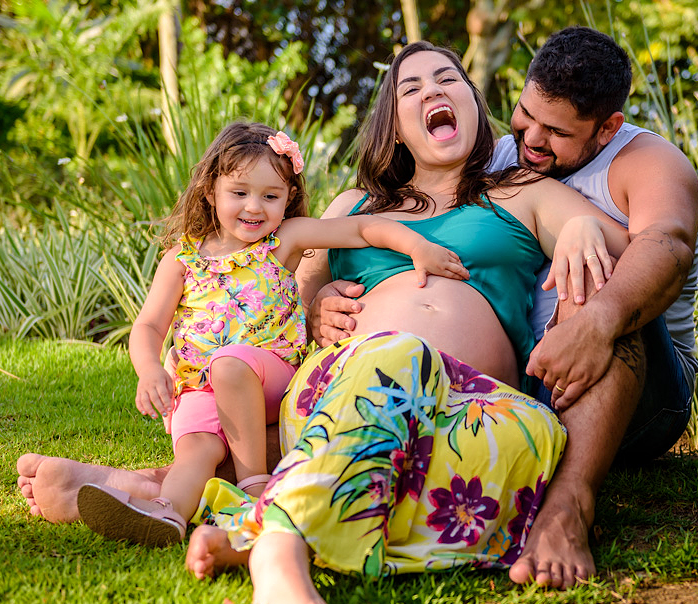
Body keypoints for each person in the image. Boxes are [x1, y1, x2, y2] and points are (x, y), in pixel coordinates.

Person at [16, 42, 629, 604]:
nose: (432, 92)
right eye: (411, 88)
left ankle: (192, 505)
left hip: (474, 405)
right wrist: (316, 308)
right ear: (395, 127)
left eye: (447, 79)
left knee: (518, 447)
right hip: (351, 385)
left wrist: (581, 227)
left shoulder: (521, 191)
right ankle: (279, 548)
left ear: (474, 102)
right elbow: (291, 301)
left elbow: (634, 249)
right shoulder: (355, 205)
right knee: (395, 354)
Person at [309, 26, 698, 590]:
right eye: (525, 116)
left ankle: (568, 508)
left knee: (596, 281)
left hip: (625, 375)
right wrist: (319, 301)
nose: (532, 140)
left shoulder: (641, 161)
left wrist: (588, 247)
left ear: (606, 128)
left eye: (556, 132)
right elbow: (289, 287)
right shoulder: (490, 159)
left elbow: (664, 247)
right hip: (520, 376)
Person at [76, 119, 471, 547]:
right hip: (200, 388)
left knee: (230, 363)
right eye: (239, 192)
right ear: (210, 192)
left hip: (270, 378)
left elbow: (361, 228)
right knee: (196, 452)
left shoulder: (283, 240)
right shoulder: (181, 259)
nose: (254, 207)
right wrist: (150, 369)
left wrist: (417, 247)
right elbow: (149, 325)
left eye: (270, 196)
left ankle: (255, 491)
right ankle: (166, 513)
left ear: (289, 198)